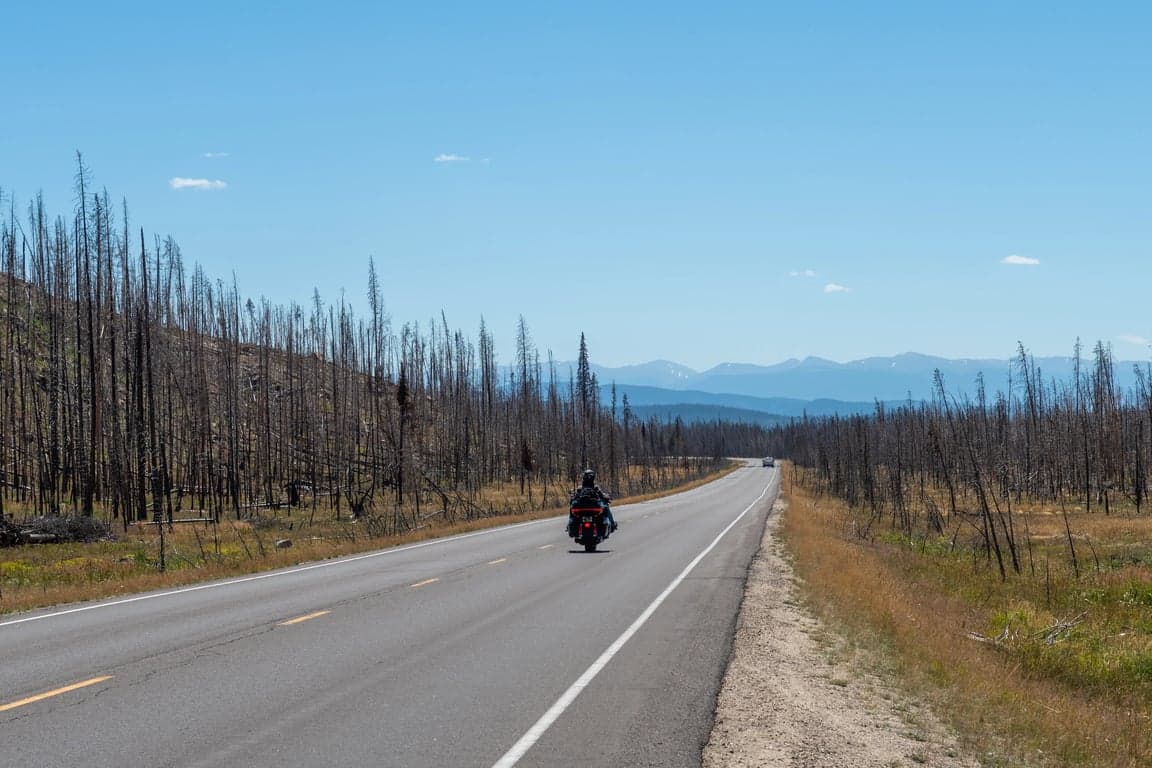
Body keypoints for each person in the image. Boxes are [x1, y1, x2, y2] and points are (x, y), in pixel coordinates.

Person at [569, 468, 617, 534]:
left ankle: (570, 526)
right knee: (606, 507)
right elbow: (602, 496)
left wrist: (572, 499)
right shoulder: (595, 488)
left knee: (572, 508)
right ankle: (612, 525)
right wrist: (606, 498)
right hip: (592, 508)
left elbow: (573, 498)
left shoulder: (580, 489)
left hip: (582, 509)